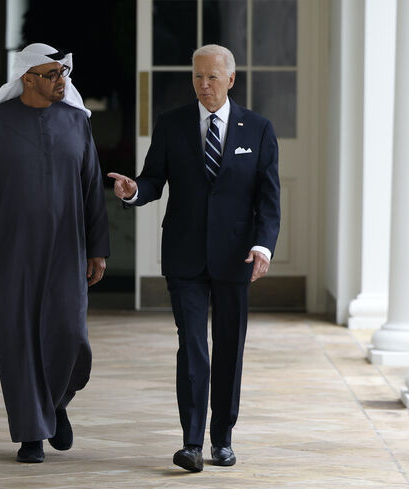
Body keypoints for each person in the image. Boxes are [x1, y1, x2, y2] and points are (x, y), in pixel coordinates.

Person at [108, 44, 280, 472]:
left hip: (235, 257)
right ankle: (190, 443)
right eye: (198, 78)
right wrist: (134, 192)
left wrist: (263, 245)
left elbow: (268, 197)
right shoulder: (171, 125)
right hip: (184, 255)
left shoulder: (258, 129)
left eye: (213, 78)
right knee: (192, 348)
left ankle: (222, 439)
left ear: (231, 80)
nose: (204, 86)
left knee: (228, 350)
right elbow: (153, 180)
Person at [0, 43, 110, 464]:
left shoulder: (77, 122)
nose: (61, 81)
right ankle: (31, 434)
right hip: (9, 250)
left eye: (64, 74)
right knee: (18, 340)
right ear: (27, 78)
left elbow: (91, 187)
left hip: (68, 247)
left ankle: (56, 402)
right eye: (52, 74)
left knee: (70, 336)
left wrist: (98, 248)